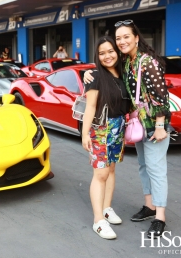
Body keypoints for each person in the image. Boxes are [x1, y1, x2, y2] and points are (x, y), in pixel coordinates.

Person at [84, 19, 171, 238]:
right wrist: (89, 72)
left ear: (136, 38)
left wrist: (160, 125)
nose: (122, 42)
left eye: (126, 37)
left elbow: (162, 97)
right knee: (142, 166)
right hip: (133, 125)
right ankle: (148, 206)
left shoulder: (147, 61)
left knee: (156, 169)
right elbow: (102, 69)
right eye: (119, 38)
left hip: (152, 125)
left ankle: (159, 216)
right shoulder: (127, 63)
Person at [81, 36, 130, 240]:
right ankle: (98, 220)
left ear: (117, 52)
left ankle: (107, 208)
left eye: (110, 51)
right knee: (100, 174)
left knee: (111, 169)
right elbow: (90, 107)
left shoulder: (122, 74)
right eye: (102, 53)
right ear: (97, 56)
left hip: (118, 127)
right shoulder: (95, 77)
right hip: (100, 129)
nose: (107, 56)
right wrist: (84, 134)